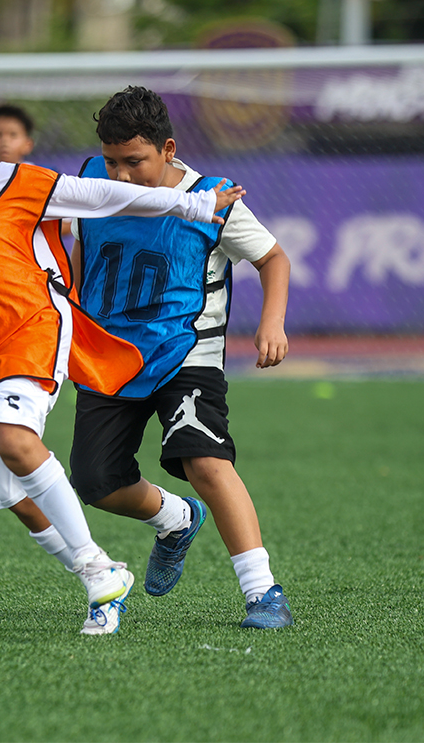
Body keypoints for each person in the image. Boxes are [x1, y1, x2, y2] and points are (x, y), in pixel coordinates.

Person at [0, 79, 245, 634]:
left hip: (34, 334)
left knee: (15, 440)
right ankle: (117, 562)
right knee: (15, 497)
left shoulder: (22, 186)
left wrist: (192, 203)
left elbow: (106, 196)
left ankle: (101, 575)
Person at [67, 86, 294, 629]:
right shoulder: (90, 185)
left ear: (168, 149)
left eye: (134, 161)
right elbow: (83, 252)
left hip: (186, 351)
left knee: (206, 461)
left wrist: (272, 323)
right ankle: (175, 518)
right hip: (109, 354)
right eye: (111, 160)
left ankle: (263, 593)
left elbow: (273, 258)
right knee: (95, 481)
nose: (120, 175)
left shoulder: (213, 199)